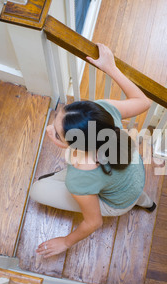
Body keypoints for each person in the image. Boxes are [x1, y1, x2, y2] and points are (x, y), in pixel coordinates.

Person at [29, 43, 155, 258]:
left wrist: (66, 242)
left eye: (58, 135)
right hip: (135, 177)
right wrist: (110, 67)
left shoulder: (80, 177)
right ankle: (146, 202)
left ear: (80, 146)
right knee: (127, 191)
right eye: (58, 117)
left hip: (117, 203)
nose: (49, 129)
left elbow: (94, 222)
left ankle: (141, 201)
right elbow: (143, 102)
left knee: (37, 190)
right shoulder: (102, 111)